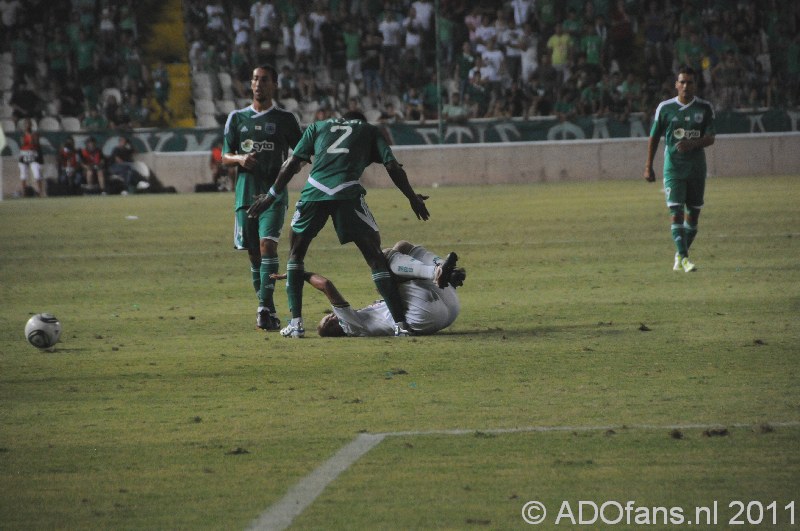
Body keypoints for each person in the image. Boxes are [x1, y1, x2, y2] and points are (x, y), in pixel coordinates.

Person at [247, 110, 430, 339]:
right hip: (347, 192)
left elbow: (293, 162)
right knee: (375, 257)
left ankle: (296, 325)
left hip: (314, 191)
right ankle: (400, 325)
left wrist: (271, 195)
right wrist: (412, 198)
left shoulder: (318, 127)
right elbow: (393, 166)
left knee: (296, 255)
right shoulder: (370, 130)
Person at [222, 65, 303, 332]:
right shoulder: (236, 118)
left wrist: (285, 169)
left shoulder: (285, 119)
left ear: (274, 85)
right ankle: (267, 308)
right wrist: (240, 158)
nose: (258, 84)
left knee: (268, 245)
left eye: (264, 80)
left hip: (273, 196)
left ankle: (262, 309)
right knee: (254, 255)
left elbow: (301, 155)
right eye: (255, 79)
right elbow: (224, 156)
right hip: (245, 195)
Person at [283, 241, 465, 337]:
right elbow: (326, 285)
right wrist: (300, 274)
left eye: (327, 318)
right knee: (383, 261)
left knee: (402, 247)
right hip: (422, 316)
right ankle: (437, 272)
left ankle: (445, 270)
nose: (331, 317)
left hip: (448, 309)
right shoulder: (350, 326)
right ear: (336, 331)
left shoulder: (362, 319)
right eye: (329, 323)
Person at [644, 65, 715, 273]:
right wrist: (648, 166)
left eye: (689, 82)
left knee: (692, 217)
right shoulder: (665, 108)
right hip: (673, 168)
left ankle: (679, 253)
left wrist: (691, 144)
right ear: (676, 85)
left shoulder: (705, 108)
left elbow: (711, 138)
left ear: (695, 85)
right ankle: (684, 258)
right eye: (682, 82)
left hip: (696, 169)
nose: (685, 86)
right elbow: (654, 137)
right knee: (675, 212)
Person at [16, 118, 44, 197]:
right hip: (24, 154)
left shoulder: (35, 134)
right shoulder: (22, 135)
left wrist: (31, 136)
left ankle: (39, 192)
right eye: (26, 124)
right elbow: (22, 144)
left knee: (36, 173)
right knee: (23, 174)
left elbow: (35, 143)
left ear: (31, 125)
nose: (27, 125)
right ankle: (24, 192)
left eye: (28, 124)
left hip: (33, 155)